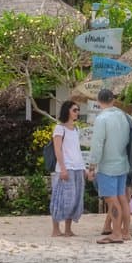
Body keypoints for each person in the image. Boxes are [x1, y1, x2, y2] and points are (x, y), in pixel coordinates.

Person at [88, 87, 132, 244]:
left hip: (107, 166)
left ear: (99, 101)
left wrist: (92, 165)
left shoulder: (102, 119)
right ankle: (126, 232)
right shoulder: (126, 117)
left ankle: (116, 233)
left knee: (111, 200)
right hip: (123, 163)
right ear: (113, 100)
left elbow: (97, 144)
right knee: (122, 198)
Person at [50, 99, 85, 238]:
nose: (77, 113)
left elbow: (77, 150)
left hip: (77, 167)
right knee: (61, 198)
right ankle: (56, 229)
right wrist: (63, 168)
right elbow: (57, 149)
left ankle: (68, 229)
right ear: (67, 111)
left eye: (78, 110)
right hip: (66, 167)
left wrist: (84, 168)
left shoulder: (76, 129)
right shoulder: (59, 128)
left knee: (75, 199)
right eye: (74, 110)